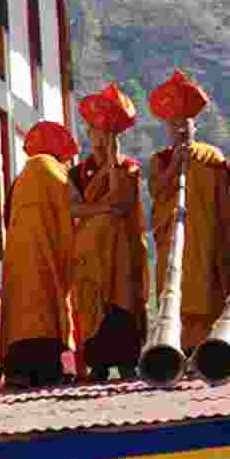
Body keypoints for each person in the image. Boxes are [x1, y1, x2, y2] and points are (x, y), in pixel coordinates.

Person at [147, 70, 230, 353]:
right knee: (175, 293)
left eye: (186, 124)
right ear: (167, 129)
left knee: (207, 294)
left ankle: (209, 349)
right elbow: (157, 192)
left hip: (206, 241)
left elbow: (223, 202)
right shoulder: (159, 160)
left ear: (195, 126)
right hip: (174, 241)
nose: (181, 130)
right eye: (174, 125)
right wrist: (174, 166)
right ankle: (176, 347)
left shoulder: (212, 158)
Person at [69, 83, 150, 381]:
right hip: (89, 252)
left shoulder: (128, 167)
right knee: (93, 307)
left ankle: (128, 362)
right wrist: (101, 210)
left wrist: (113, 164)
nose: (99, 137)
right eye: (94, 131)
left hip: (120, 253)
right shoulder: (77, 173)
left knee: (122, 304)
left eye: (106, 132)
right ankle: (98, 363)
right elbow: (72, 208)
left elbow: (120, 201)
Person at [0, 121, 80, 388]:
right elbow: (74, 210)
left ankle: (19, 371)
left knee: (22, 316)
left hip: (18, 267)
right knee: (53, 316)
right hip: (46, 264)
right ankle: (64, 369)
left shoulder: (19, 181)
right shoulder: (48, 168)